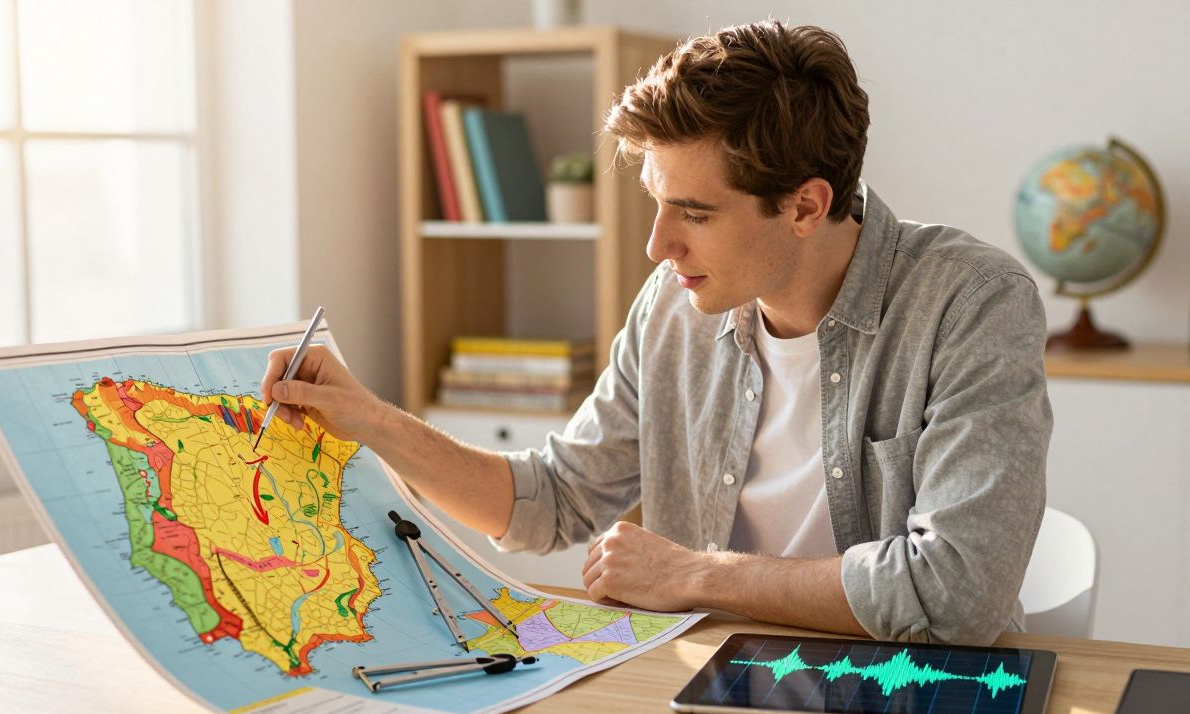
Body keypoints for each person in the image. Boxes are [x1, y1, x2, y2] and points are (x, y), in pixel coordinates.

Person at [261, 20, 1051, 646]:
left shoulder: (971, 303)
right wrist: (368, 418)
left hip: (911, 691)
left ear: (806, 207)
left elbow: (956, 595)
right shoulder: (673, 306)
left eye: (695, 214)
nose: (658, 246)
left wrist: (698, 576)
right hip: (713, 681)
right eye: (657, 202)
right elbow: (552, 502)